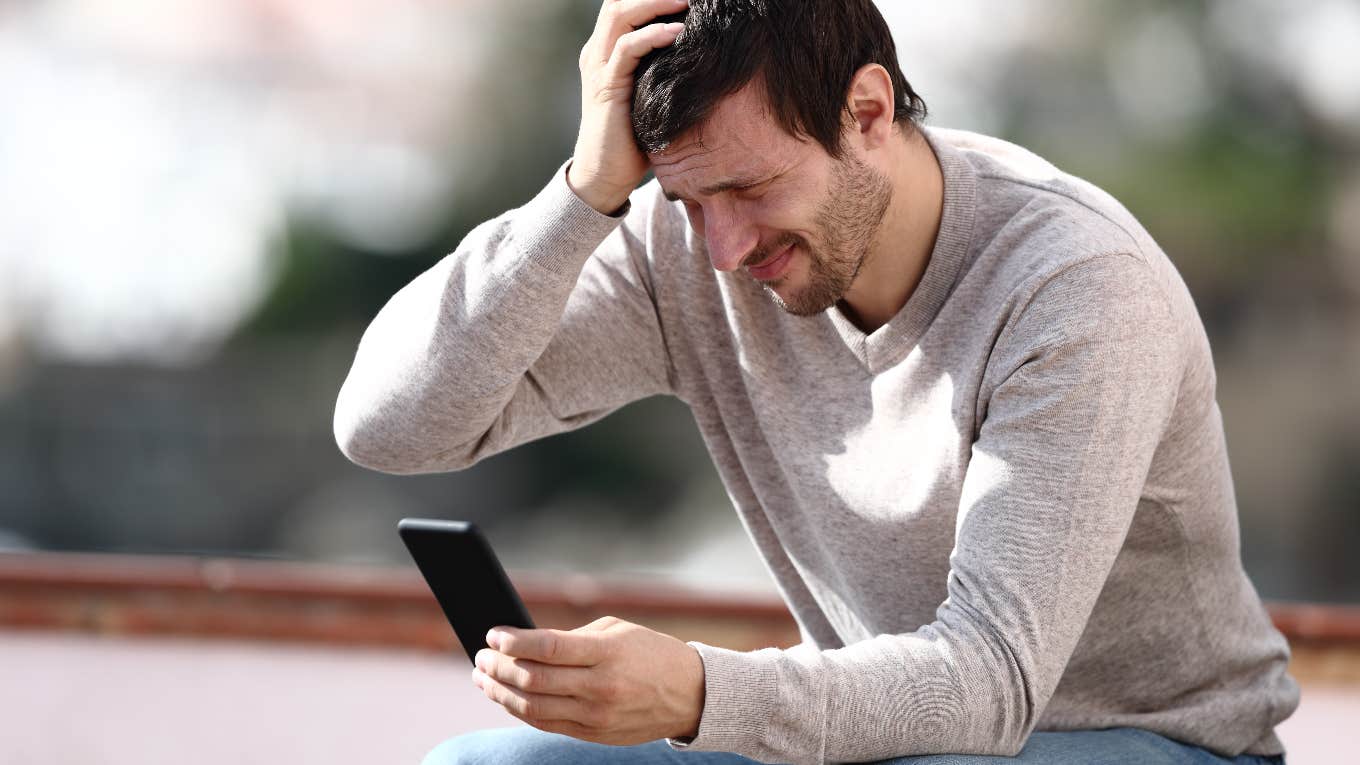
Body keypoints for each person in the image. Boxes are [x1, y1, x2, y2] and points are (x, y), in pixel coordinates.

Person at [333, 0, 1299, 762]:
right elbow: (392, 427)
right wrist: (582, 194)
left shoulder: (1074, 288)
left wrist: (698, 692)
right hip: (883, 739)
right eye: (686, 197)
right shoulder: (693, 249)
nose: (724, 246)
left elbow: (993, 681)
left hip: (1148, 744)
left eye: (751, 189)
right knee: (488, 764)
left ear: (867, 112)